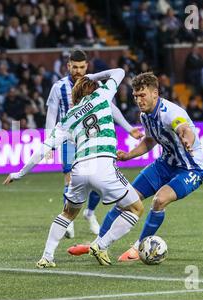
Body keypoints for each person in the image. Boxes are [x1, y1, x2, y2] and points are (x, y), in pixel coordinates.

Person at [4, 68, 145, 268]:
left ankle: (47, 257)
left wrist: (19, 173)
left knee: (67, 214)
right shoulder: (102, 94)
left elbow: (44, 149)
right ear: (93, 88)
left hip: (79, 169)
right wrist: (92, 77)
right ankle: (101, 245)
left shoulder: (69, 117)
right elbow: (120, 71)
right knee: (135, 208)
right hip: (103, 164)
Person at [67, 72, 203, 261]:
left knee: (159, 200)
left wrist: (187, 140)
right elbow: (149, 141)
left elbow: (184, 128)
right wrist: (128, 155)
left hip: (191, 169)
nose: (139, 100)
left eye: (143, 95)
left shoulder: (171, 113)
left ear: (155, 93)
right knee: (125, 199)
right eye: (135, 96)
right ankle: (98, 244)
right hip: (164, 164)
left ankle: (138, 248)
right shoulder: (145, 115)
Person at [45, 49, 142, 238]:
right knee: (70, 179)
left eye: (82, 67)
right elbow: (52, 114)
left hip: (93, 138)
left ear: (87, 66)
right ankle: (68, 220)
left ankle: (90, 213)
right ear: (68, 66)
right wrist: (50, 143)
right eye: (75, 67)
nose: (78, 70)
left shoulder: (93, 85)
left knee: (99, 179)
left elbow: (110, 108)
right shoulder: (58, 87)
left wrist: (129, 128)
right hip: (69, 139)